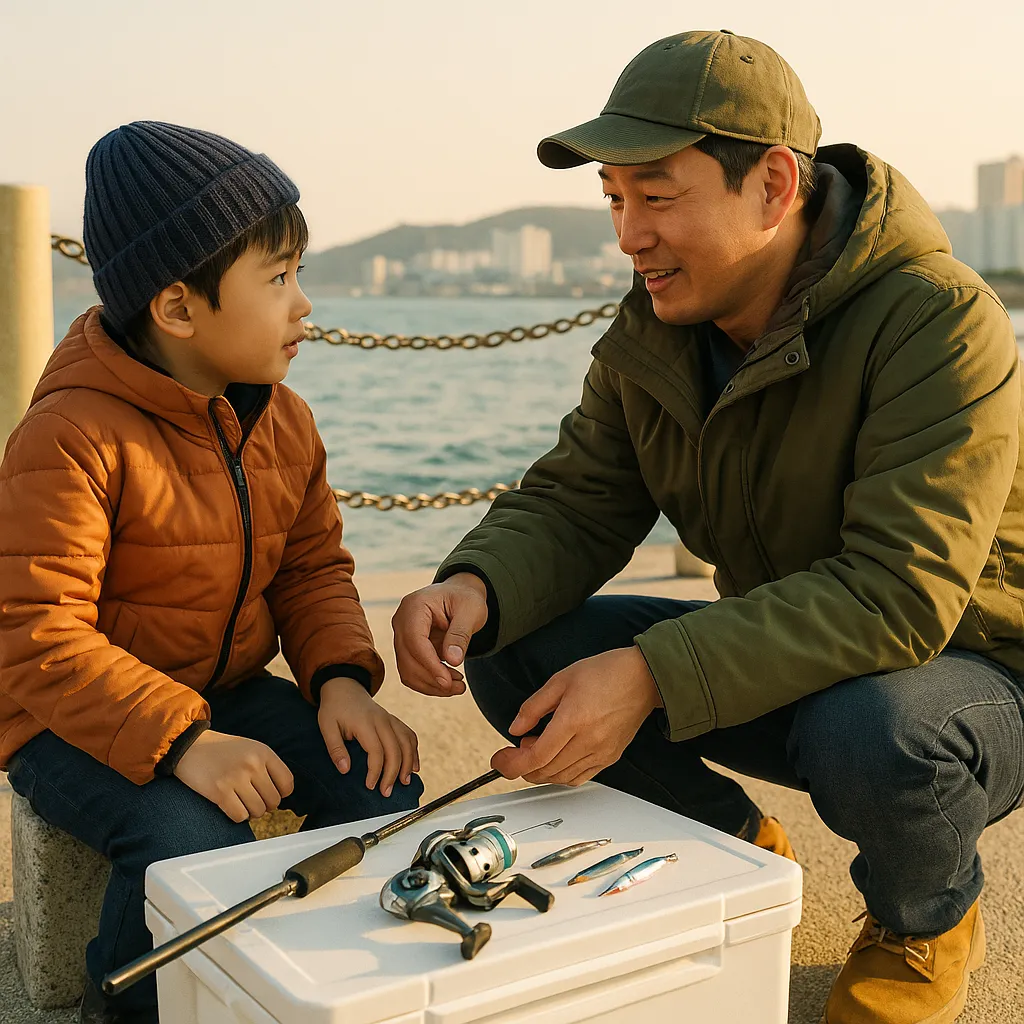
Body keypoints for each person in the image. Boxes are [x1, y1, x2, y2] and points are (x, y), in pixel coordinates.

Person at [391, 30, 1023, 1024]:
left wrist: (648, 672)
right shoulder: (654, 331)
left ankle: (926, 913)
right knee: (517, 648)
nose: (627, 234)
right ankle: (734, 849)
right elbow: (577, 497)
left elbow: (899, 595)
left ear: (773, 186)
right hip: (786, 656)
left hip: (967, 676)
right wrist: (474, 585)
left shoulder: (936, 320)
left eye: (656, 195)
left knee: (877, 724)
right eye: (613, 199)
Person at [0, 121, 423, 1024]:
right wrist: (186, 745)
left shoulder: (285, 421)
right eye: (277, 280)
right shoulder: (72, 434)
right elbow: (36, 635)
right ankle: (123, 1006)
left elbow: (310, 570)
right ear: (178, 308)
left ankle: (300, 973)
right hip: (65, 720)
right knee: (190, 839)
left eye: (298, 274)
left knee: (381, 783)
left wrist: (341, 681)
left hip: (221, 688)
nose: (304, 304)